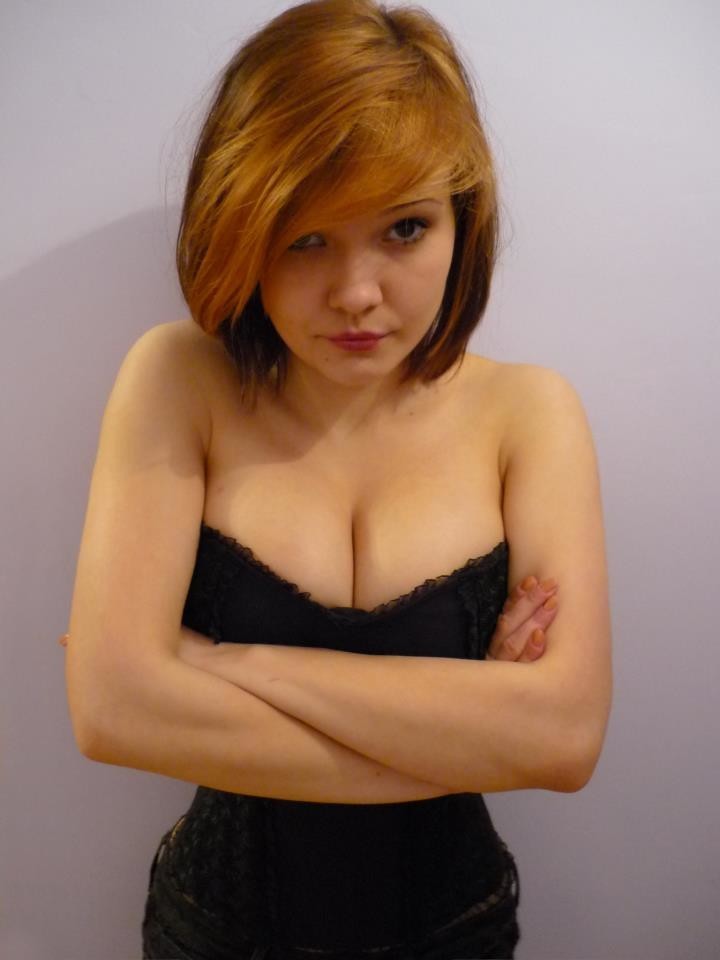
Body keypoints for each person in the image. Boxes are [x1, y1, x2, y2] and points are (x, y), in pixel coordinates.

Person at [63, 1, 612, 957]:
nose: (358, 293)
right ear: (240, 229)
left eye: (404, 228)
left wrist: (220, 664)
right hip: (214, 936)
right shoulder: (179, 380)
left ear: (463, 222)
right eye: (305, 237)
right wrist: (470, 728)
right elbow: (112, 713)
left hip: (456, 933)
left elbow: (563, 741)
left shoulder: (531, 414)